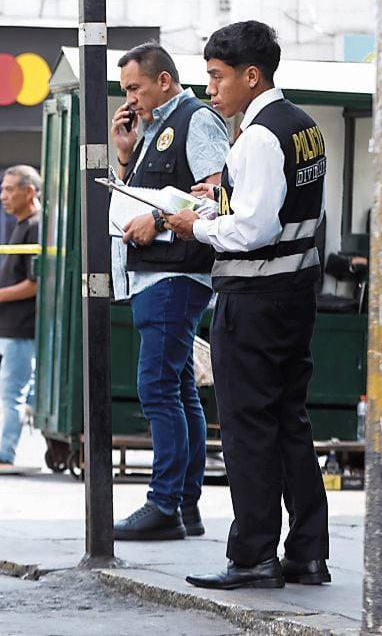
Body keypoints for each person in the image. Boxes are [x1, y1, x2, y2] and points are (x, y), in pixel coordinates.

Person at [167, 20, 331, 590]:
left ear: (251, 76)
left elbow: (257, 227)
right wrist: (216, 205)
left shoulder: (259, 136)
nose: (210, 89)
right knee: (289, 421)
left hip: (256, 297)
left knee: (247, 428)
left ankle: (253, 555)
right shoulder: (303, 126)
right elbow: (282, 213)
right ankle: (308, 552)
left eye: (217, 77)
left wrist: (198, 226)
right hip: (293, 295)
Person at [109, 43, 228, 540]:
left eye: (135, 88)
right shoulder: (153, 129)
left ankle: (164, 505)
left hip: (175, 273)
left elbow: (219, 195)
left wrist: (157, 219)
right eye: (125, 91)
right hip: (158, 273)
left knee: (157, 388)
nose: (131, 99)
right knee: (179, 389)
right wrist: (125, 156)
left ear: (164, 80)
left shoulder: (195, 121)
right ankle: (185, 505)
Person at [0, 165, 41, 467]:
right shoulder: (21, 224)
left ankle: (6, 454)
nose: (3, 196)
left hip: (22, 330)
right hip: (12, 330)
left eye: (9, 189)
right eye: (2, 189)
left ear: (29, 192)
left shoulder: (36, 225)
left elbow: (35, 283)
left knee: (14, 395)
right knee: (21, 395)